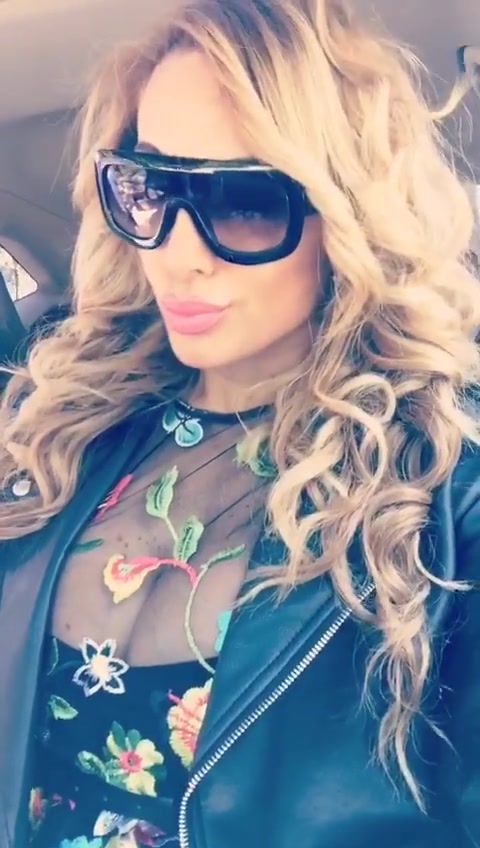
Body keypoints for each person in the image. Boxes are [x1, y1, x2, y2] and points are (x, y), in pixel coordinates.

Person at [0, 0, 480, 846]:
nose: (176, 254)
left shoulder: (444, 494)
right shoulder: (64, 434)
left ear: (347, 215)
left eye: (244, 201)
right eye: (149, 188)